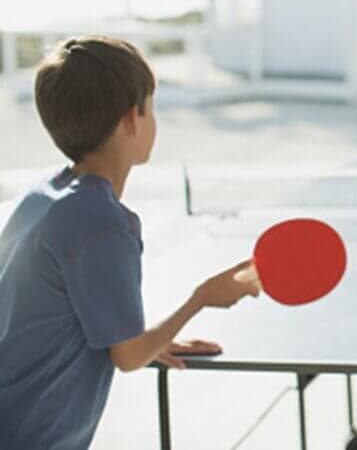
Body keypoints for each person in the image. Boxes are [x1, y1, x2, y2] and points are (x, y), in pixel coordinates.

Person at [0, 35, 259, 449]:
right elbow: (128, 357)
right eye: (151, 107)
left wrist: (145, 338)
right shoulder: (104, 223)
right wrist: (202, 297)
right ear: (131, 120)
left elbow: (59, 310)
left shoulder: (40, 193)